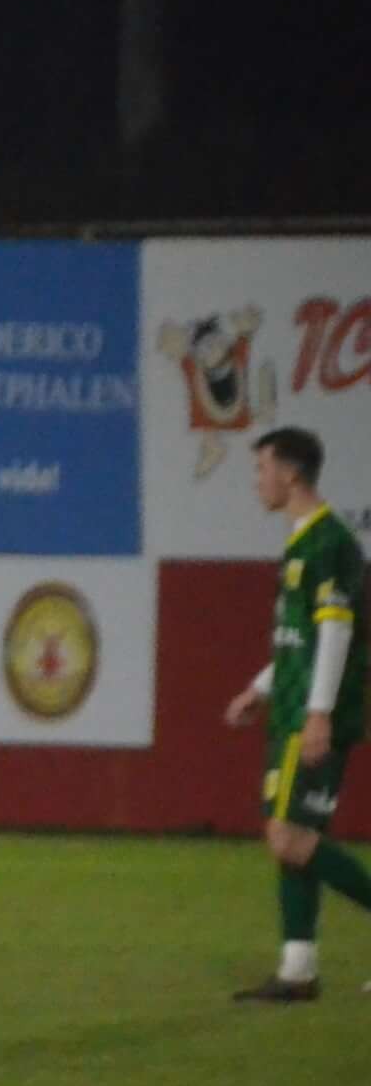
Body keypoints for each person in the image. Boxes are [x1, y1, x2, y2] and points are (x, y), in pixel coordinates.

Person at [223, 427, 370, 1000]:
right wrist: (259, 688)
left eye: (262, 468)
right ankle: (298, 967)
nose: (257, 480)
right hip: (289, 707)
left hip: (310, 714)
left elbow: (336, 631)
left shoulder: (329, 542)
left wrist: (319, 716)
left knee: (288, 837)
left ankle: (298, 967)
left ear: (289, 473)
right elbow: (299, 638)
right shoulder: (302, 542)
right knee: (291, 832)